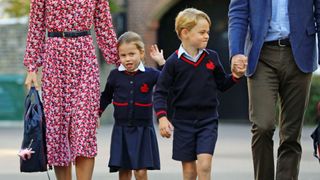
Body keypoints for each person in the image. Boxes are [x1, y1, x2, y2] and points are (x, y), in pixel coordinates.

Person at [23, 0, 118, 179]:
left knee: (85, 129)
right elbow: (35, 26)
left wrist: (120, 62)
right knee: (57, 130)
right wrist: (32, 67)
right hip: (55, 57)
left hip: (84, 57)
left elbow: (104, 24)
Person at [228, 0, 320, 179]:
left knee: (291, 134)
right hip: (261, 55)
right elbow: (238, 14)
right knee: (263, 125)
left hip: (300, 54)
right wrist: (236, 52)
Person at [153, 8, 247, 180]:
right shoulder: (173, 62)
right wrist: (162, 118)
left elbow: (222, 84)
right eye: (202, 32)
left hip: (207, 121)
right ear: (185, 33)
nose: (207, 36)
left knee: (204, 166)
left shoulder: (212, 57)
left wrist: (235, 76)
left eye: (208, 32)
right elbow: (160, 92)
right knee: (189, 173)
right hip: (183, 123)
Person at [99, 31, 165, 180]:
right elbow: (106, 96)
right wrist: (98, 113)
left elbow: (169, 82)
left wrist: (162, 63)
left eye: (132, 54)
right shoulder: (115, 75)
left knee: (140, 172)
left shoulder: (151, 74)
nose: (127, 59)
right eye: (123, 55)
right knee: (124, 171)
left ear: (141, 53)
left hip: (143, 129)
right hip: (121, 129)